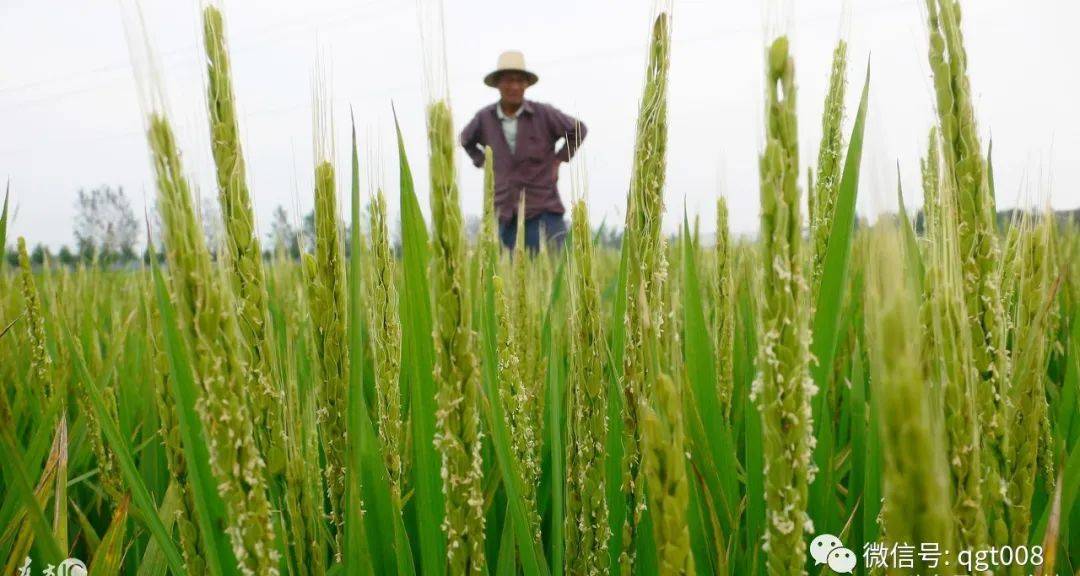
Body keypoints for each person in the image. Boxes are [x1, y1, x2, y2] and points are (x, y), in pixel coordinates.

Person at [460, 50, 587, 254]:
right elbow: (465, 140)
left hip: (544, 210)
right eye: (509, 80)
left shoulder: (543, 114)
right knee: (510, 278)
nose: (515, 87)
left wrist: (559, 160)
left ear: (526, 85)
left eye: (520, 81)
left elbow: (578, 129)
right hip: (506, 213)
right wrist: (485, 163)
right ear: (498, 84)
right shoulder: (485, 119)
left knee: (558, 273)